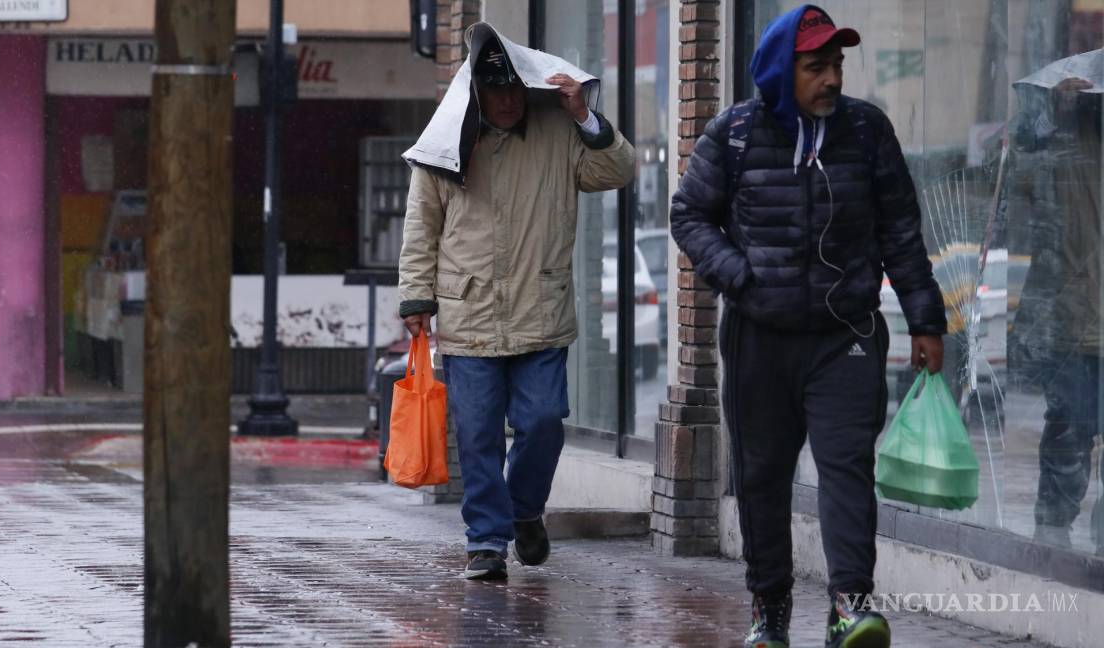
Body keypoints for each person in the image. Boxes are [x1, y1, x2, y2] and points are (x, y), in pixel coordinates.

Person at [670, 6, 946, 648]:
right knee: (762, 476)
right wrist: (738, 275)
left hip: (844, 333)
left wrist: (925, 320)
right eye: (815, 66)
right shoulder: (734, 132)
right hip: (758, 340)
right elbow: (689, 215)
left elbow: (901, 232)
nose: (831, 79)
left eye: (837, 65)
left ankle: (851, 605)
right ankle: (770, 612)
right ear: (780, 71)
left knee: (846, 466)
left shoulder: (867, 131)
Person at [397, 24, 635, 581]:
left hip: (540, 311)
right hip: (468, 313)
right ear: (476, 93)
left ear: (527, 90)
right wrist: (416, 296)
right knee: (477, 434)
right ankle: (486, 541)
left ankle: (525, 509)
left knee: (544, 421)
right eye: (493, 90)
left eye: (513, 90)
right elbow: (421, 225)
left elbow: (617, 170)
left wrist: (582, 117)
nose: (505, 101)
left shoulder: (557, 131)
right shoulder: (445, 138)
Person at [1009, 65, 1104, 556]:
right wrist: (1050, 115)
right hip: (1074, 322)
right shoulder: (1064, 141)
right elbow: (1014, 180)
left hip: (1080, 316)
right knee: (1070, 431)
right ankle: (1051, 536)